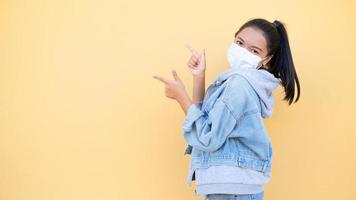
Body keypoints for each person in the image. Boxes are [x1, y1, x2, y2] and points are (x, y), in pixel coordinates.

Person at [153, 18, 301, 200]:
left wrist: (180, 96)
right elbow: (206, 123)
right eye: (239, 43)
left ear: (266, 58)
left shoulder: (238, 85)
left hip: (233, 191)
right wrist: (199, 77)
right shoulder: (242, 82)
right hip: (235, 188)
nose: (242, 51)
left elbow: (207, 139)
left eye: (254, 50)